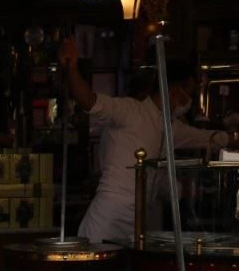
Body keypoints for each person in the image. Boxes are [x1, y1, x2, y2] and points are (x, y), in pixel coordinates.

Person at [58, 37, 229, 244]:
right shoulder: (131, 111)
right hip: (108, 217)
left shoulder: (170, 127)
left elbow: (208, 138)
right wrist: (72, 69)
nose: (188, 103)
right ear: (174, 91)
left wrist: (230, 137)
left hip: (140, 221)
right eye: (188, 95)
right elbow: (89, 101)